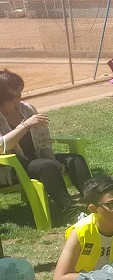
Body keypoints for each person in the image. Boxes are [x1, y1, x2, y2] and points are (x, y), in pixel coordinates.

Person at [0, 69, 91, 222]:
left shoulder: (27, 109)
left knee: (75, 160)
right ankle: (72, 213)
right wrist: (25, 126)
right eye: (17, 95)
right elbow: (2, 145)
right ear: (3, 96)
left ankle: (95, 202)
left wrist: (53, 159)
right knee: (46, 166)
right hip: (11, 167)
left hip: (37, 160)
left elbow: (43, 141)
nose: (21, 98)